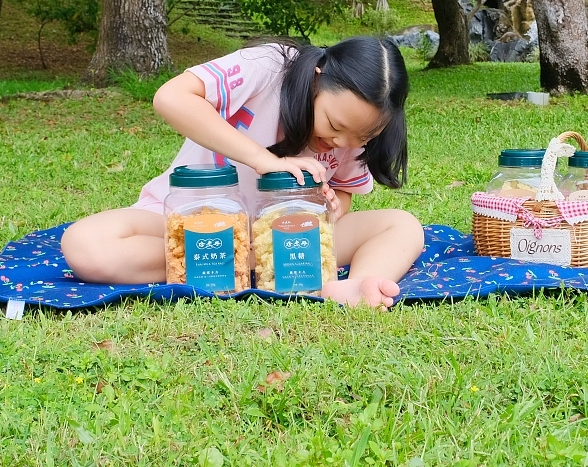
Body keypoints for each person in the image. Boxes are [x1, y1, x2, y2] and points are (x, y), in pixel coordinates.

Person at [61, 36, 425, 307]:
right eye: (333, 124)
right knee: (86, 246)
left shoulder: (352, 135)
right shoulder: (269, 67)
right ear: (317, 79)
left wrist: (332, 207)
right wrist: (264, 160)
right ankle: (225, 260)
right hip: (195, 224)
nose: (342, 142)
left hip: (289, 243)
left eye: (361, 136)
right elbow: (171, 97)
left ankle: (350, 287)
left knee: (402, 225)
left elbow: (344, 190)